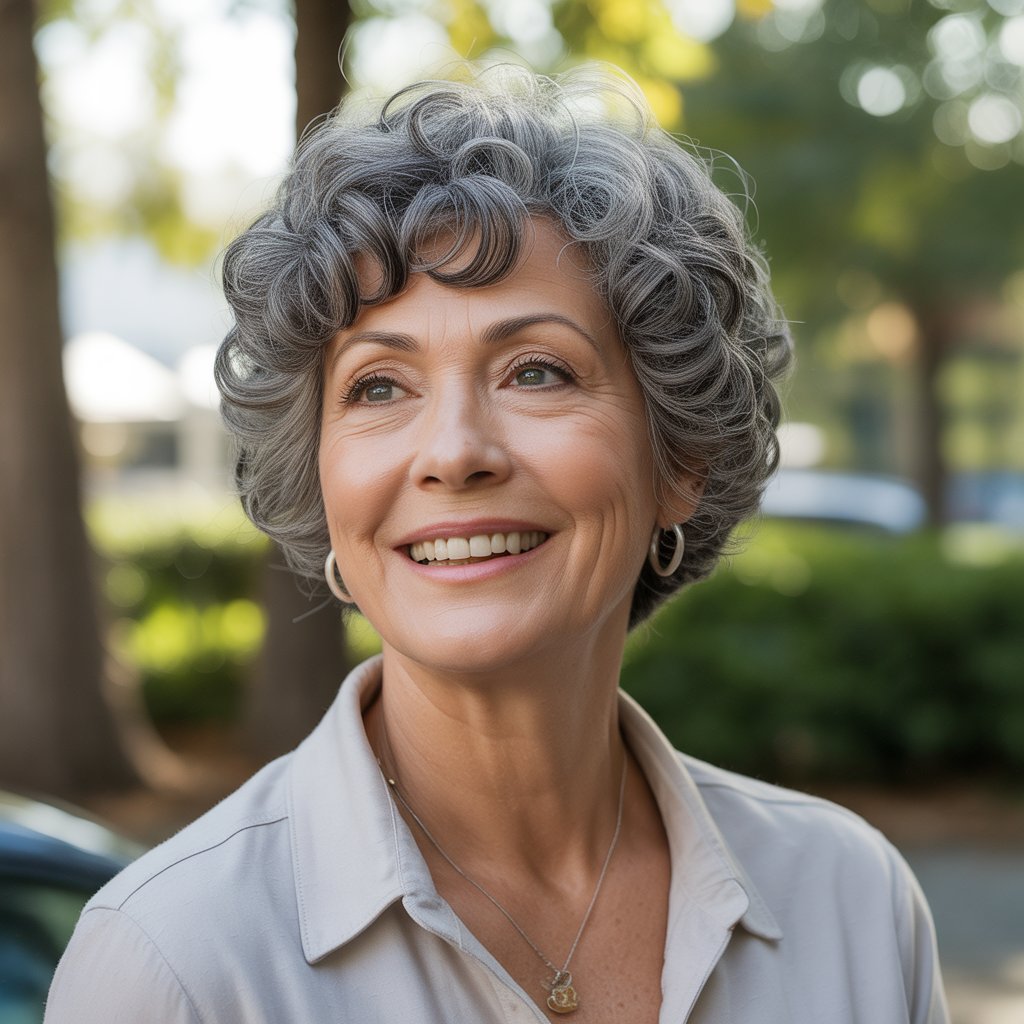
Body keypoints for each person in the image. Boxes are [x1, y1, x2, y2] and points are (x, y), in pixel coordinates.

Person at [45, 63, 948, 1023]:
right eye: (379, 386)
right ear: (320, 483)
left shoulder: (853, 904)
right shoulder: (174, 959)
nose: (453, 453)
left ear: (679, 457)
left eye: (536, 371)